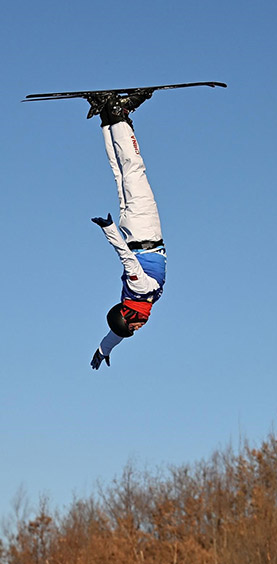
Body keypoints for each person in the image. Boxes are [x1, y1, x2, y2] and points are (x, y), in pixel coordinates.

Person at [88, 91, 166, 370]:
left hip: (143, 231)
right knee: (120, 174)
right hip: (136, 230)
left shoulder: (140, 291)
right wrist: (104, 348)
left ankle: (118, 114)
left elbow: (126, 257)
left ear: (128, 314)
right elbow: (118, 331)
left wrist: (109, 230)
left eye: (133, 326)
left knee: (133, 171)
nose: (139, 328)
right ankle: (107, 117)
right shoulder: (136, 302)